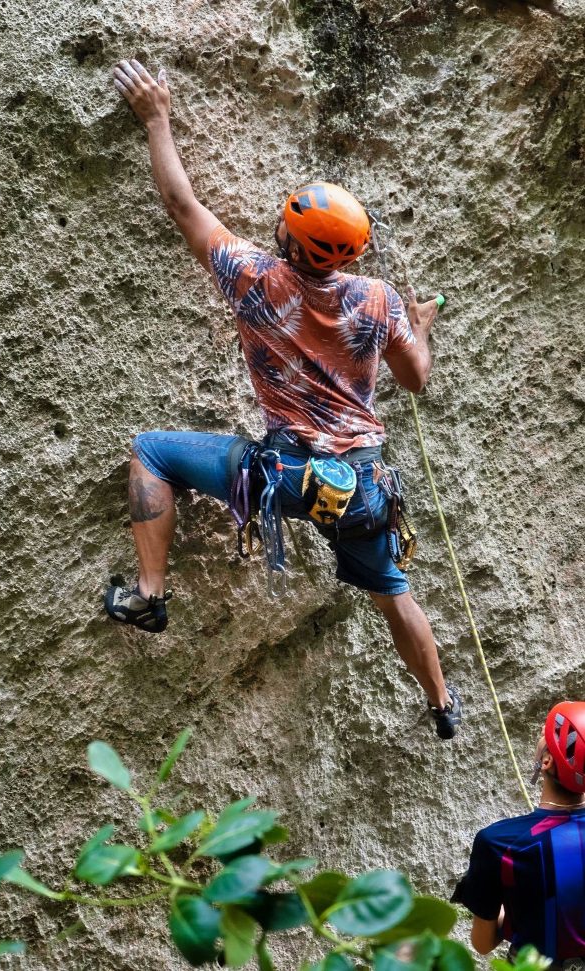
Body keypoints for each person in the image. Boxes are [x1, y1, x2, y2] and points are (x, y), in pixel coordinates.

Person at [106, 58, 462, 740]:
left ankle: (150, 594)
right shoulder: (378, 300)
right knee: (394, 595)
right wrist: (418, 328)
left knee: (152, 452)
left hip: (286, 477)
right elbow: (416, 378)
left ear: (292, 242)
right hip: (362, 488)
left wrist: (156, 118)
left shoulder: (253, 279)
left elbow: (183, 206)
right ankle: (442, 703)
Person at [452, 701, 585, 965]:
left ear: (546, 761)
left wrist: (513, 912)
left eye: (544, 736)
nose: (540, 737)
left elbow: (483, 943)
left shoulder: (498, 842)